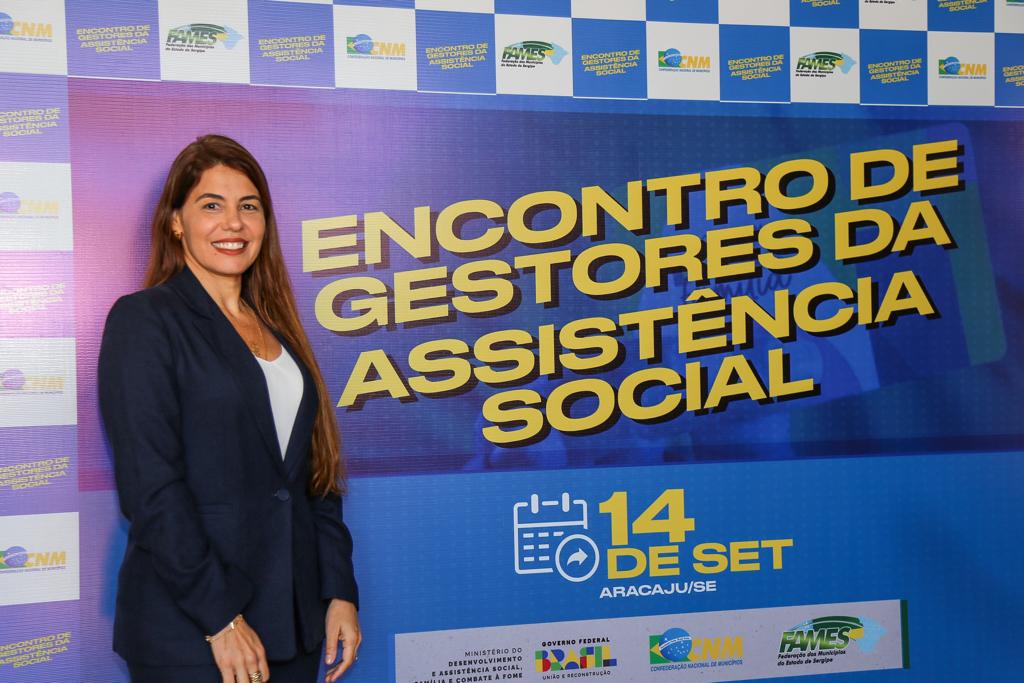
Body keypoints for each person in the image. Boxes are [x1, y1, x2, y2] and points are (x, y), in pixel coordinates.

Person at [98, 134, 360, 683]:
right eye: (211, 205)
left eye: (249, 206)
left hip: (294, 625)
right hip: (195, 631)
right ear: (177, 222)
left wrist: (338, 590)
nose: (234, 223)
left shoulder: (279, 329)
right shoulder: (145, 320)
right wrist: (221, 619)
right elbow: (151, 489)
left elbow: (313, 475)